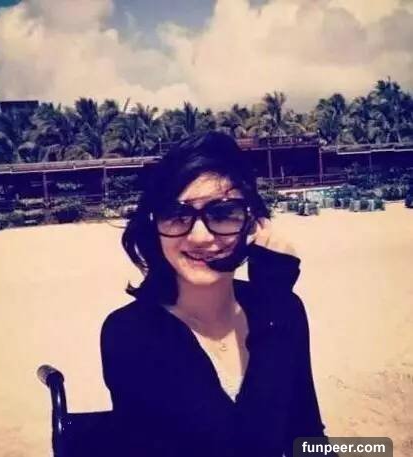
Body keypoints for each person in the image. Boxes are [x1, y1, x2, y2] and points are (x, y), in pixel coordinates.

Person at [100, 131, 333, 457]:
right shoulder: (130, 334)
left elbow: (307, 437)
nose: (199, 237)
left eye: (222, 213)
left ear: (253, 225)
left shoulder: (284, 310)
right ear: (155, 226)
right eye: (177, 215)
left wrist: (274, 307)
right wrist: (272, 310)